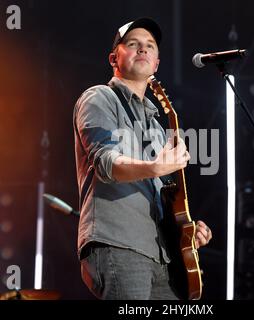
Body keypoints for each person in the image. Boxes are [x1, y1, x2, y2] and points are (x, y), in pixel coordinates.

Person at [73, 17, 212, 300]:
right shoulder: (99, 98)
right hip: (119, 243)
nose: (143, 49)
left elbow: (164, 196)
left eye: (149, 46)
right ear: (114, 58)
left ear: (156, 65)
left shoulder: (157, 126)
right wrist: (154, 166)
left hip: (162, 255)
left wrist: (187, 230)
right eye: (133, 44)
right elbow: (105, 162)